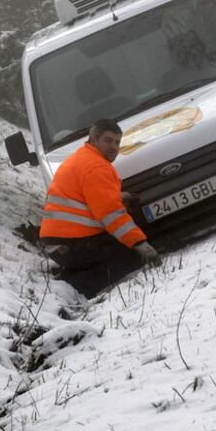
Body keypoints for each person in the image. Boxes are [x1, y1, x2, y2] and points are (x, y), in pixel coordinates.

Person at [39, 118, 161, 297]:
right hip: (70, 245)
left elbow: (88, 198)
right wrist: (141, 244)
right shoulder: (96, 167)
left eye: (117, 142)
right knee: (131, 258)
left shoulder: (84, 157)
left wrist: (117, 197)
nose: (113, 147)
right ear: (93, 139)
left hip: (61, 242)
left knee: (116, 249)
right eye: (108, 140)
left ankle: (68, 277)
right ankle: (71, 293)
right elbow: (111, 216)